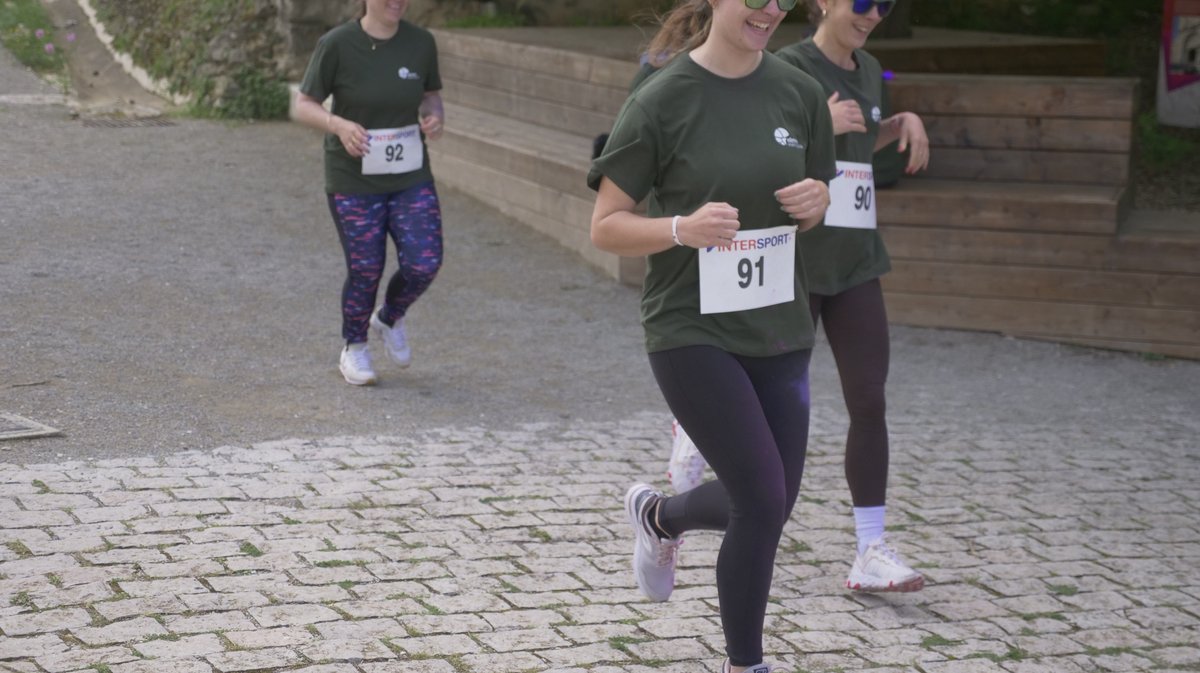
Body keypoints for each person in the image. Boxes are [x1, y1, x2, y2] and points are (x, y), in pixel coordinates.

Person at [588, 0, 835, 670]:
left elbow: (815, 199)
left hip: (779, 326)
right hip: (689, 327)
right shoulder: (663, 98)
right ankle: (745, 663)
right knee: (759, 497)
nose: (769, 9)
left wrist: (818, 202)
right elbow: (605, 223)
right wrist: (681, 228)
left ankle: (661, 517)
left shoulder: (800, 93)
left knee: (771, 503)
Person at [773, 0, 929, 592]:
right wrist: (819, 127)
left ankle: (870, 550)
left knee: (869, 400)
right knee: (781, 406)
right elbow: (762, 152)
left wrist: (899, 123)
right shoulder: (787, 66)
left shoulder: (869, 69)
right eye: (863, 3)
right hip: (799, 263)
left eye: (886, 5)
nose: (874, 14)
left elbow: (858, 149)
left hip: (857, 261)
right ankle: (729, 514)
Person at [292, 0, 446, 386]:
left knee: (424, 262)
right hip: (353, 179)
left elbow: (430, 94)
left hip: (410, 174)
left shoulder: (421, 42)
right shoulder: (337, 44)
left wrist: (434, 116)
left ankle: (389, 317)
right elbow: (304, 105)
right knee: (366, 268)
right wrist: (338, 125)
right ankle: (354, 346)